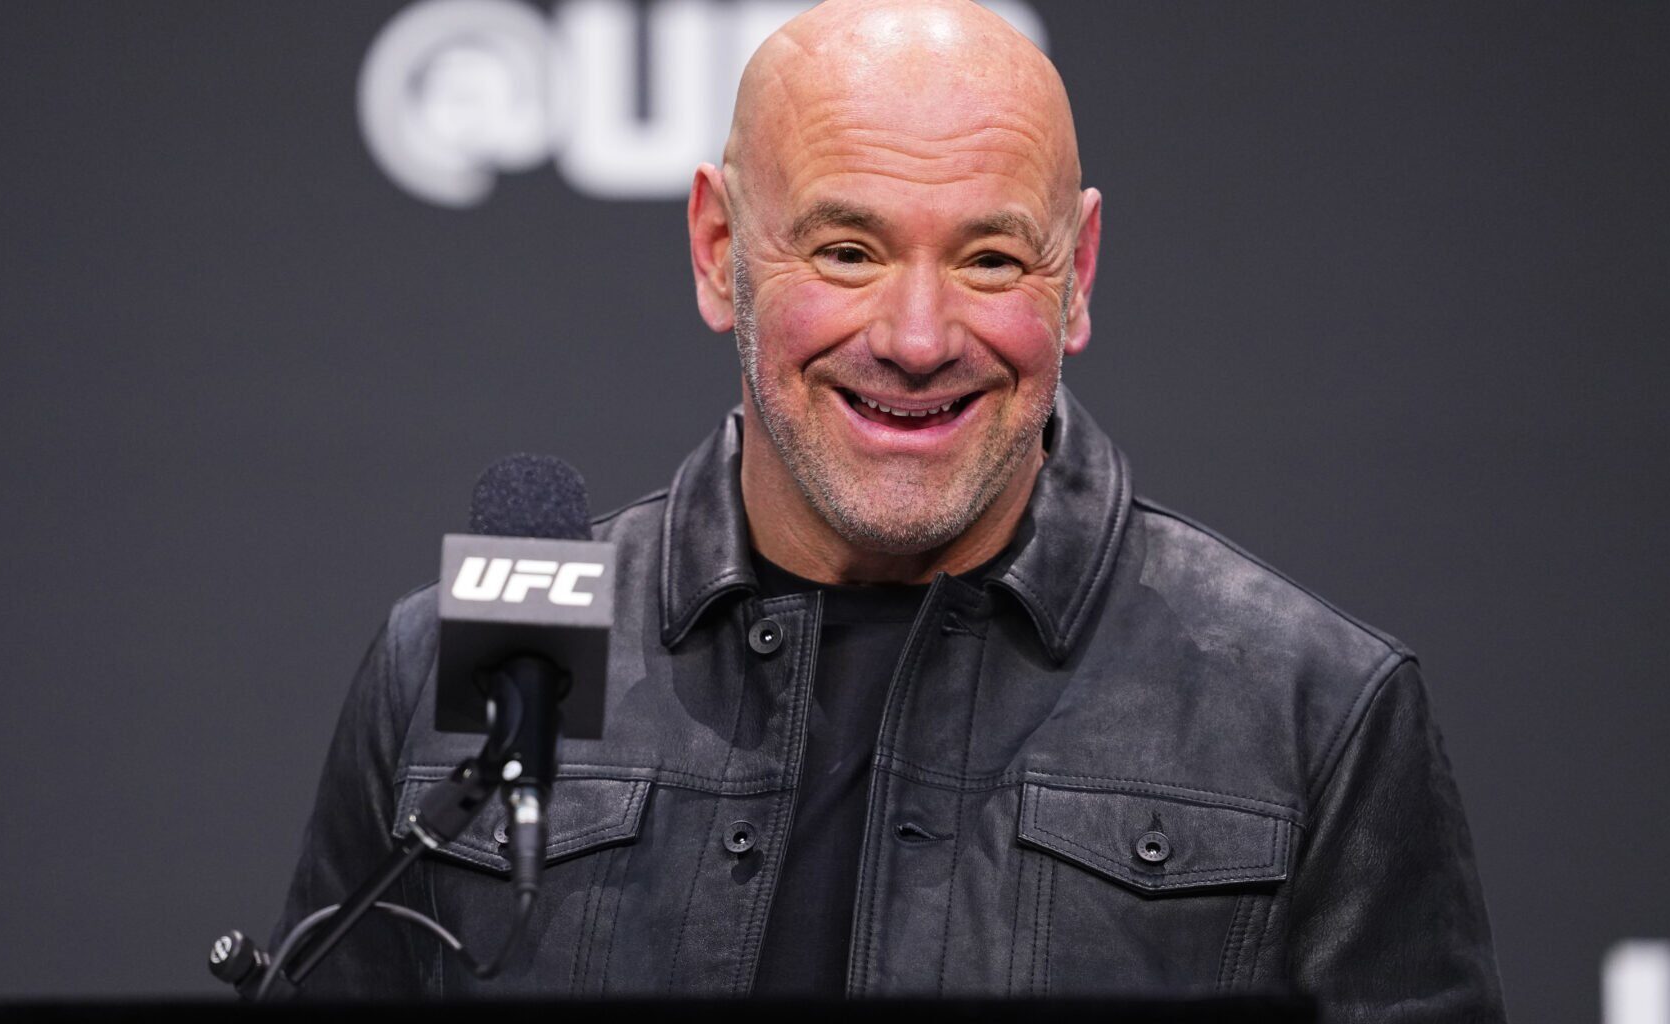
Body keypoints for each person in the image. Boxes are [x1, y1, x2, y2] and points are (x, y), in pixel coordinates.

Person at [274, 0, 1505, 1016]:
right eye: (848, 252)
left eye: (989, 259)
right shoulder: (450, 664)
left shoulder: (1313, 711)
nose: (918, 339)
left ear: (1076, 276)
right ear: (719, 250)